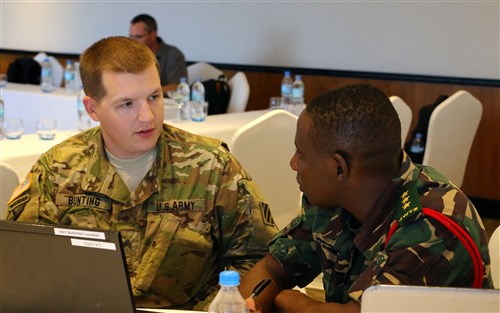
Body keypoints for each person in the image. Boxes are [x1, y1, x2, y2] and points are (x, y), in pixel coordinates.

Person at [5, 36, 278, 310]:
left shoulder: (211, 166)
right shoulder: (57, 170)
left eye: (154, 97)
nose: (147, 116)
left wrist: (223, 305)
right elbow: (27, 260)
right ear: (92, 109)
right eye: (127, 104)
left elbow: (259, 257)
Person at [238, 85, 493, 313]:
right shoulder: (332, 202)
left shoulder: (429, 228)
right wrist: (250, 305)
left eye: (301, 154)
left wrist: (290, 301)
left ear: (339, 168)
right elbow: (272, 268)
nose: (293, 163)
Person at [129, 13, 187, 94]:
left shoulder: (174, 55)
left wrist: (146, 93)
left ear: (153, 35)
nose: (133, 42)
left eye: (138, 37)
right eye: (131, 37)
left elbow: (177, 87)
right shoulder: (128, 55)